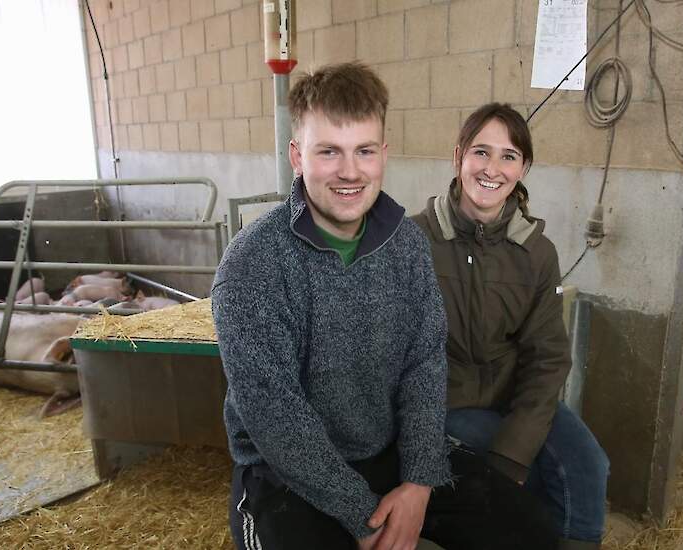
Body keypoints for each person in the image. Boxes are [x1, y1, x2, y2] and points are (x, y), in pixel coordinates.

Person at [212, 63, 559, 550]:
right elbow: (276, 417)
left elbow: (423, 363)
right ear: (297, 155)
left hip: (387, 452)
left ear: (383, 155)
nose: (350, 171)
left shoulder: (406, 245)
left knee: (531, 532)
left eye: (364, 151)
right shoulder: (254, 265)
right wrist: (365, 516)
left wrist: (418, 483)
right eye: (329, 151)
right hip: (283, 474)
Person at [412, 103, 611, 549]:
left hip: (511, 396)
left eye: (508, 156)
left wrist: (513, 449)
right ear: (458, 156)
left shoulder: (537, 253)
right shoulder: (415, 241)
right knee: (535, 478)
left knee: (589, 466)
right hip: (450, 401)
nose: (492, 168)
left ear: (524, 168)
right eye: (481, 152)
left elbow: (548, 357)